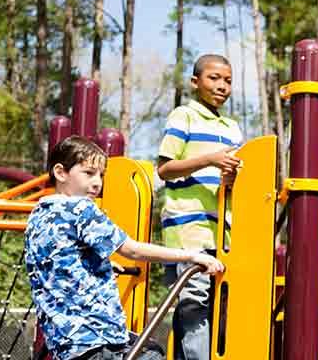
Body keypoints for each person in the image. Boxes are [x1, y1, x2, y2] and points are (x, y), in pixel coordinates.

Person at [25, 136, 225, 360]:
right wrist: (191, 255)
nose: (97, 182)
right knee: (151, 355)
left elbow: (53, 258)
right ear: (61, 172)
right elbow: (132, 250)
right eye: (89, 173)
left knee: (148, 348)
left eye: (101, 175)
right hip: (95, 335)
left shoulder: (39, 213)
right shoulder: (81, 207)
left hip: (64, 341)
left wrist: (98, 263)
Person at [156, 54, 243, 360]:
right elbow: (164, 169)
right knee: (194, 301)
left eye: (228, 80)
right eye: (214, 78)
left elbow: (232, 181)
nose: (222, 86)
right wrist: (209, 159)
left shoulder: (232, 128)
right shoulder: (184, 116)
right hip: (188, 228)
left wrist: (231, 177)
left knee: (213, 306)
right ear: (196, 82)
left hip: (222, 231)